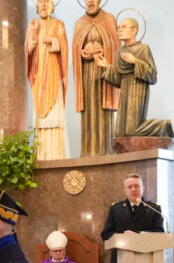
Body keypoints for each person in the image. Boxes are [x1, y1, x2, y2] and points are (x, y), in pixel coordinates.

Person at [95, 17, 157, 137]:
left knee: (132, 130)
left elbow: (153, 76)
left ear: (134, 31)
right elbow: (118, 80)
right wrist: (107, 66)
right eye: (118, 28)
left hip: (138, 89)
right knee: (120, 132)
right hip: (125, 91)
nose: (119, 30)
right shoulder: (119, 52)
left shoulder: (143, 49)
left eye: (123, 27)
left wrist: (136, 62)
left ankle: (163, 126)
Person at [72, 0, 119, 156]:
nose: (90, 1)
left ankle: (106, 150)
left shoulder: (109, 19)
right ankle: (87, 151)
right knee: (89, 109)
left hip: (103, 72)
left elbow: (115, 45)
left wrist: (103, 51)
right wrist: (82, 53)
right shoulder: (80, 22)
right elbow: (75, 47)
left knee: (103, 108)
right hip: (87, 73)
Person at [101, 173, 164, 263]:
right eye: (130, 187)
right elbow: (106, 234)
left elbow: (159, 233)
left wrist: (138, 235)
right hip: (122, 259)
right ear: (125, 190)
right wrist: (122, 236)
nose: (133, 189)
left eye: (137, 186)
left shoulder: (153, 208)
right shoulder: (116, 209)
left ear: (143, 188)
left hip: (146, 259)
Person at [25, 0, 67, 160]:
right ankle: (41, 155)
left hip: (54, 74)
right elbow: (28, 50)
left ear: (51, 7)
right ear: (37, 7)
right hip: (39, 74)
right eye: (40, 4)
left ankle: (55, 155)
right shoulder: (33, 24)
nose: (43, 6)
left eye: (46, 3)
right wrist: (34, 35)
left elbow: (64, 47)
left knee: (54, 112)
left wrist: (53, 41)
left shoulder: (58, 24)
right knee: (40, 116)